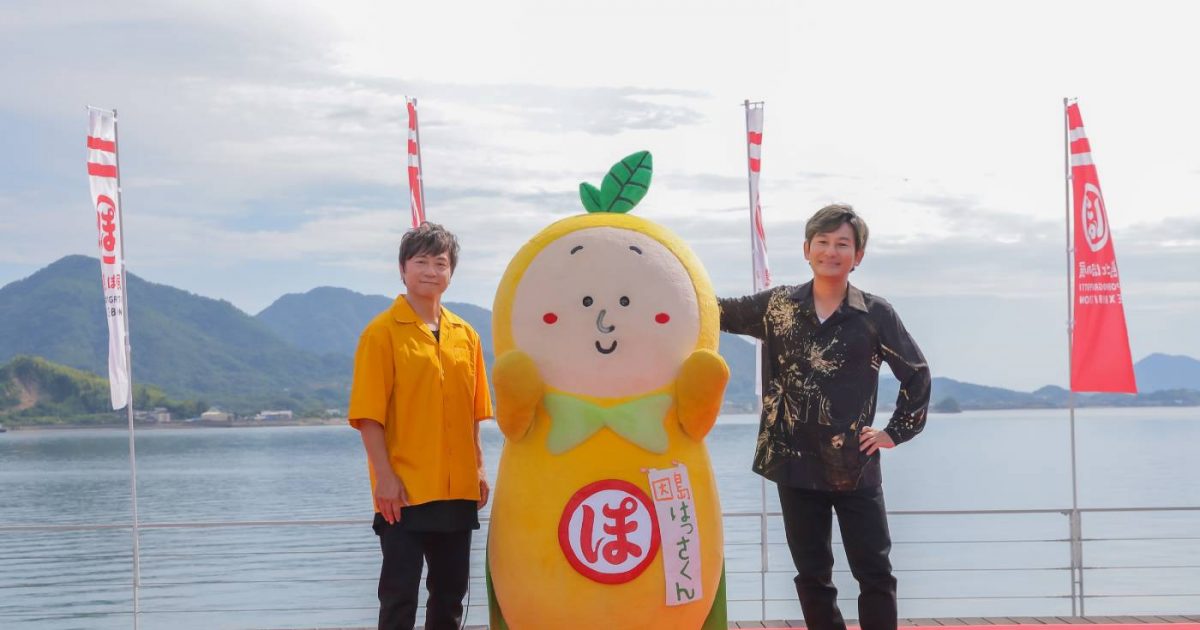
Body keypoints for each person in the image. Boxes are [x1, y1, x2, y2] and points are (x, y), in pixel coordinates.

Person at [719, 204, 930, 630]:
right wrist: (663, 279)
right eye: (823, 242)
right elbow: (718, 311)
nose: (831, 252)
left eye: (842, 244)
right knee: (812, 574)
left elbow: (916, 373)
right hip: (793, 462)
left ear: (858, 255)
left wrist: (894, 432)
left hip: (855, 464)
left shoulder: (875, 314)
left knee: (875, 572)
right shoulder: (778, 306)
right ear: (806, 249)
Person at [348, 222, 493, 630]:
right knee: (399, 597)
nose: (431, 271)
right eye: (421, 262)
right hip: (404, 491)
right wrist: (384, 478)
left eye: (440, 263)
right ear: (403, 269)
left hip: (458, 487)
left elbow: (473, 414)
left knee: (450, 597)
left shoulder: (467, 335)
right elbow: (369, 416)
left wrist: (479, 468)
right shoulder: (381, 333)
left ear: (451, 272)